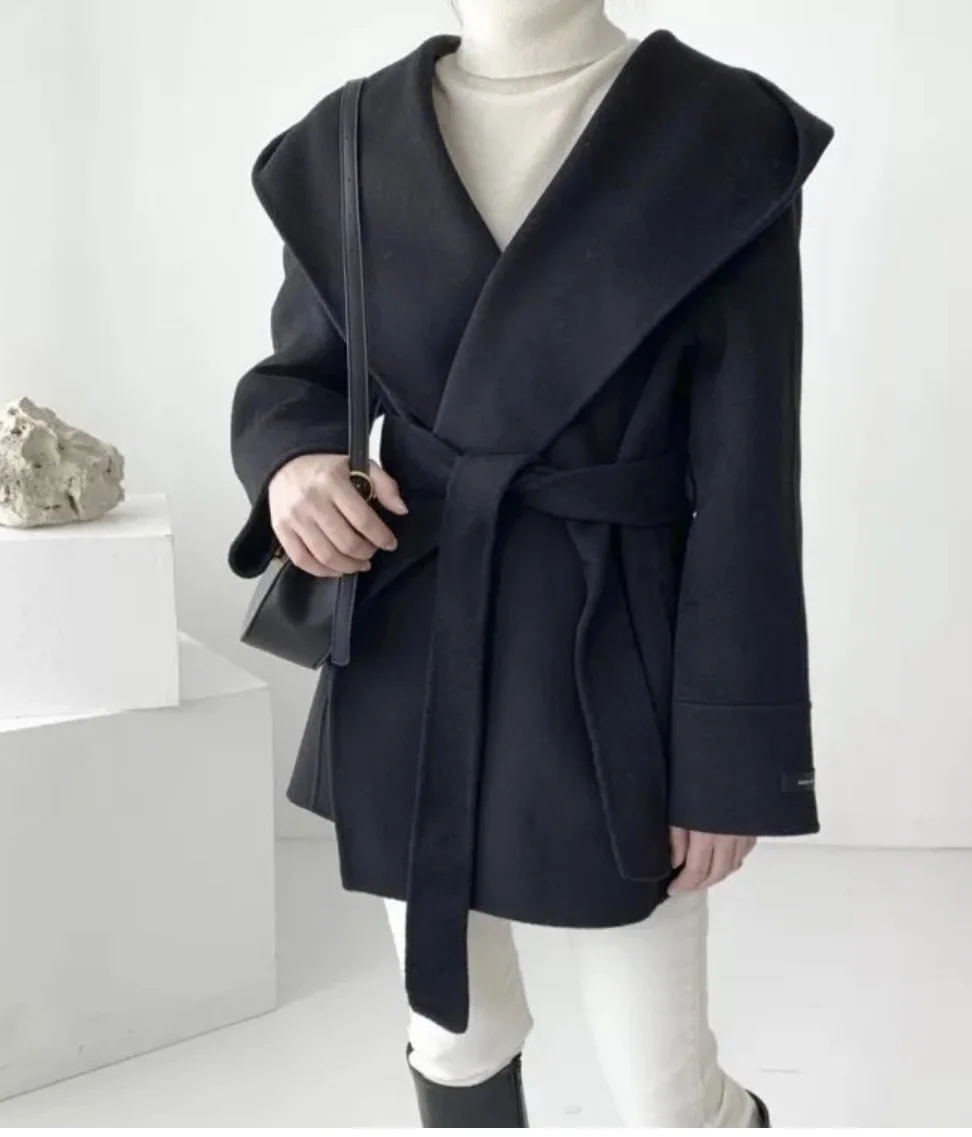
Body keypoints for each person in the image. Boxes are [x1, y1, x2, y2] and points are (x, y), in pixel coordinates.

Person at [228, 0, 832, 1126]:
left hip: (617, 649)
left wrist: (728, 759)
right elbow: (297, 379)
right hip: (411, 635)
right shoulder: (347, 139)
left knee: (665, 1093)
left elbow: (749, 477)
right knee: (456, 1032)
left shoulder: (722, 134)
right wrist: (292, 468)